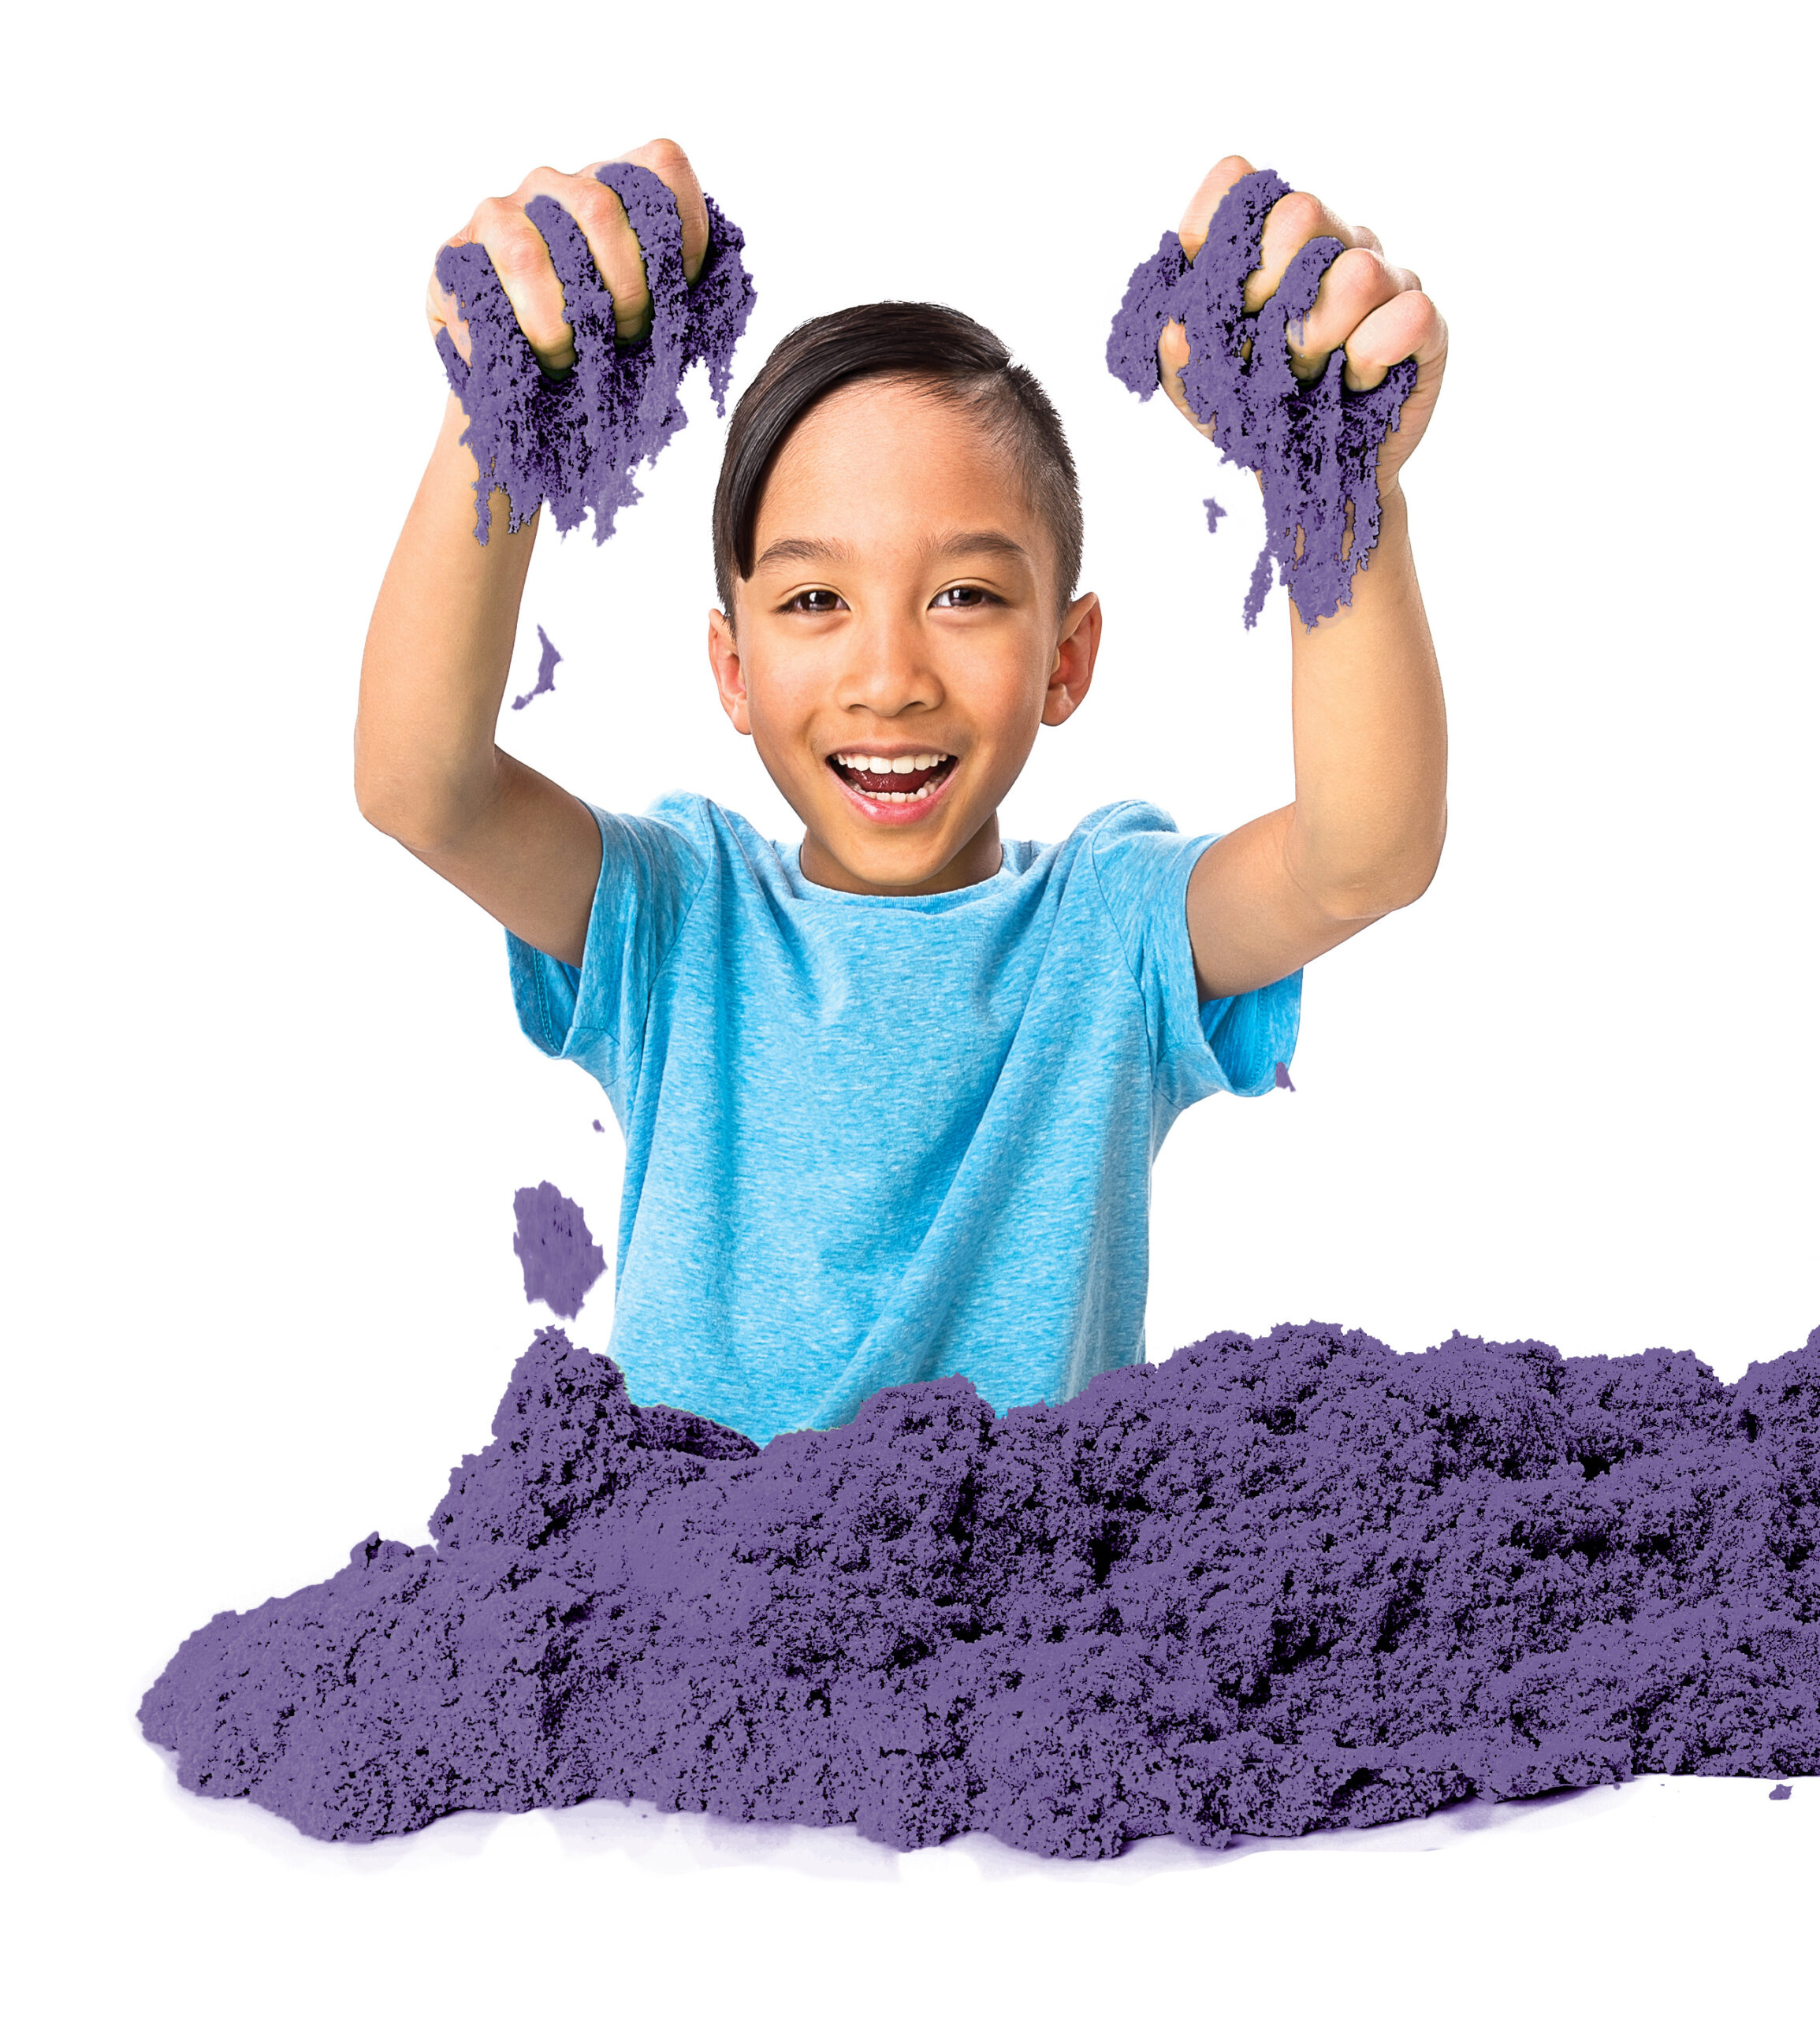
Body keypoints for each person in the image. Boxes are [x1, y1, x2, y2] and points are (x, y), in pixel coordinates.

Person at [355, 138, 1449, 1446]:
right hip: (681, 1621)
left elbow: (1360, 858)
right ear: (733, 667)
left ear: (1067, 658)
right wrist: (500, 422)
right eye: (815, 601)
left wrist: (1335, 488)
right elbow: (423, 788)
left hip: (1030, 1626)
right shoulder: (673, 919)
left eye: (966, 597)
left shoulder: (1109, 931)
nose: (888, 677)